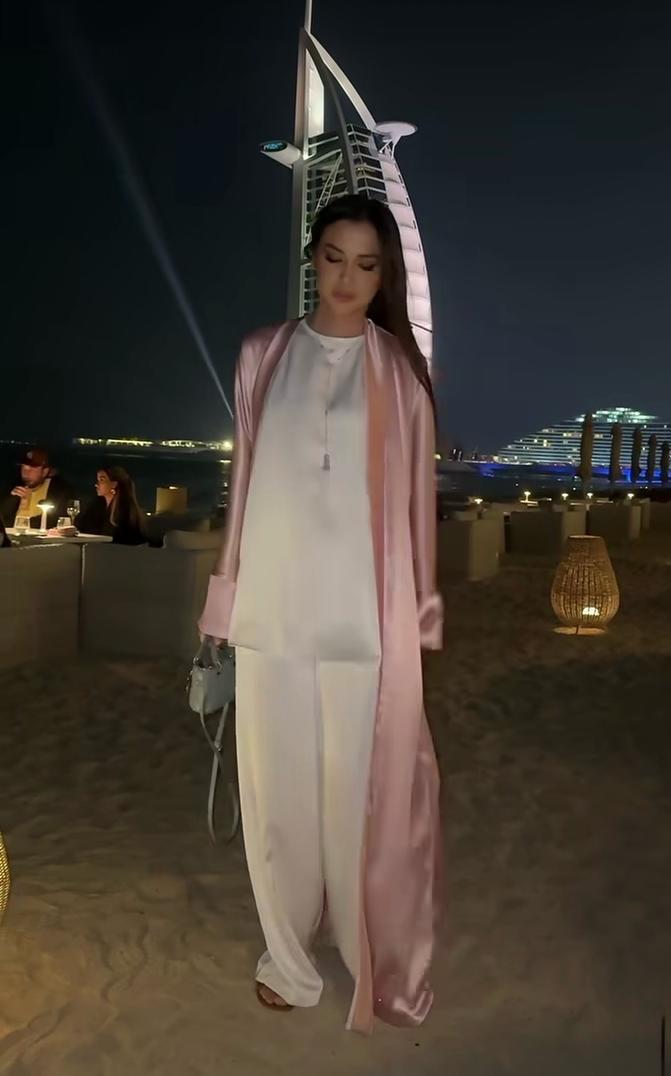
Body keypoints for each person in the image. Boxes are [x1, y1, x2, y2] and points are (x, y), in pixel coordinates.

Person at [197, 194, 443, 1033]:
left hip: (362, 620)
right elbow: (242, 485)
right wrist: (224, 596)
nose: (347, 278)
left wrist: (421, 617)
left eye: (366, 265)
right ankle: (289, 959)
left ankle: (355, 939)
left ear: (383, 276)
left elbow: (414, 510)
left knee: (354, 796)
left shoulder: (400, 374)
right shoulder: (262, 355)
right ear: (313, 258)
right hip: (271, 611)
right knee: (276, 798)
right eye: (334, 257)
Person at [0, 447, 74, 530]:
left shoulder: (59, 491)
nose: (26, 474)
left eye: (31, 470)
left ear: (44, 472)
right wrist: (11, 501)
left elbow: (55, 521)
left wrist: (23, 520)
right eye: (23, 469)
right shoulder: (13, 486)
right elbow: (3, 519)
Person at [76, 466, 146, 545]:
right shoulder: (99, 507)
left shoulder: (122, 512)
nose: (96, 484)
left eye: (101, 480)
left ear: (114, 484)